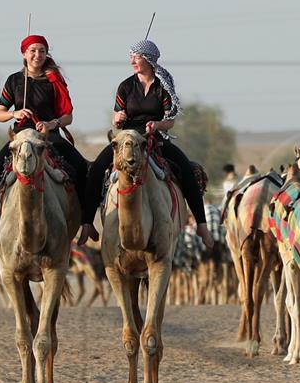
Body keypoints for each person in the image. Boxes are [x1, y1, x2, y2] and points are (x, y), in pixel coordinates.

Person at [77, 39, 214, 249]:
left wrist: (157, 125)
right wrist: (117, 119)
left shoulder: (162, 87)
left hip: (154, 138)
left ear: (149, 59)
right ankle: (87, 223)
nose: (132, 60)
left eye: (137, 56)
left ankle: (202, 226)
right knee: (96, 168)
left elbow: (171, 121)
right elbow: (116, 115)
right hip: (127, 138)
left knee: (186, 168)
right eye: (131, 55)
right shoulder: (125, 86)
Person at [0, 35, 88, 255]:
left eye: (42, 51)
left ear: (47, 54)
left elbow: (68, 116)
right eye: (33, 51)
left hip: (48, 137)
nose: (37, 55)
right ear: (24, 54)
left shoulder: (54, 81)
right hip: (20, 138)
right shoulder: (15, 81)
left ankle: (85, 223)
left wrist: (51, 123)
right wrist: (14, 113)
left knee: (82, 168)